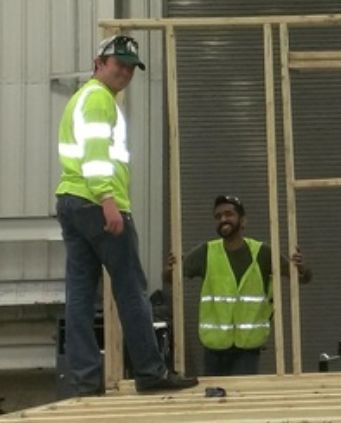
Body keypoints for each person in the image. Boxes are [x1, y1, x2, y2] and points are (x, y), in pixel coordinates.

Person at [55, 35, 198, 395]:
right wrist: (107, 200)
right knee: (131, 288)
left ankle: (85, 380)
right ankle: (150, 372)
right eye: (118, 64)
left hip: (72, 201)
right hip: (96, 203)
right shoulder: (100, 100)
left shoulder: (82, 98)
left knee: (80, 294)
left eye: (130, 67)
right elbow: (96, 153)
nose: (125, 72)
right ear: (98, 63)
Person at [163, 195, 313, 376]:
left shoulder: (262, 253)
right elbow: (171, 279)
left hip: (247, 350)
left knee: (242, 399)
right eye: (218, 216)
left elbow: (301, 278)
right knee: (214, 400)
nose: (223, 219)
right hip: (213, 349)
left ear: (243, 221)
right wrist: (170, 269)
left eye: (228, 214)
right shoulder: (206, 252)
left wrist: (301, 267)